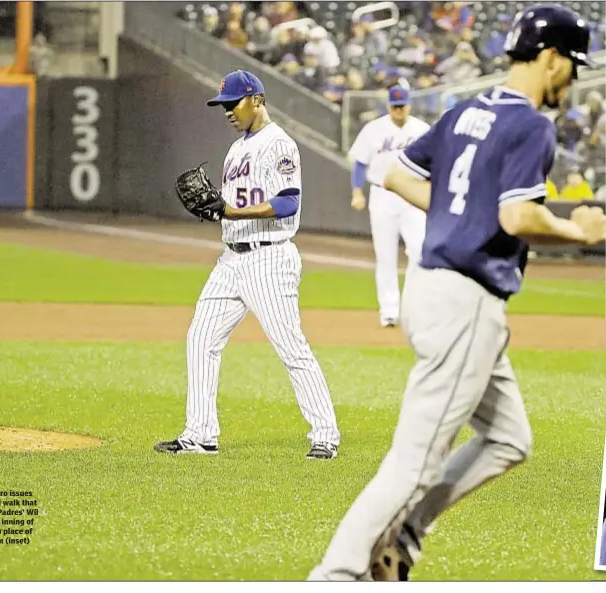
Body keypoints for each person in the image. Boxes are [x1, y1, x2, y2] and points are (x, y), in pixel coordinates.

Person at [308, 4, 604, 581]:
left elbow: (392, 174)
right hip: (465, 299)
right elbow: (518, 216)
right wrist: (579, 230)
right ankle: (337, 575)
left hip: (431, 287)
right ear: (549, 58)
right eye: (572, 62)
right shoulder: (531, 125)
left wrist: (459, 214)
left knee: (508, 438)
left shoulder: (468, 110)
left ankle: (403, 540)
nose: (573, 76)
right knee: (415, 461)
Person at [155, 70, 341, 460]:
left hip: (269, 258)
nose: (227, 112)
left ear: (256, 99)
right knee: (201, 338)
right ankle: (200, 435)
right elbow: (229, 204)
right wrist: (217, 209)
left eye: (233, 103)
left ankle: (325, 434)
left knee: (291, 347)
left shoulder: (279, 144)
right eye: (223, 106)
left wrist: (232, 211)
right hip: (231, 261)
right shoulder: (237, 149)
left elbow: (288, 202)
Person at [348, 85, 430, 327]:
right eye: (394, 106)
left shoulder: (422, 130)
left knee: (418, 251)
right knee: (385, 256)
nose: (399, 110)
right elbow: (360, 164)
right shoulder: (373, 129)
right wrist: (356, 192)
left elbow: (433, 164)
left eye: (402, 105)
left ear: (409, 104)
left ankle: (413, 307)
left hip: (413, 196)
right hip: (382, 194)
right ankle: (389, 311)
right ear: (388, 106)